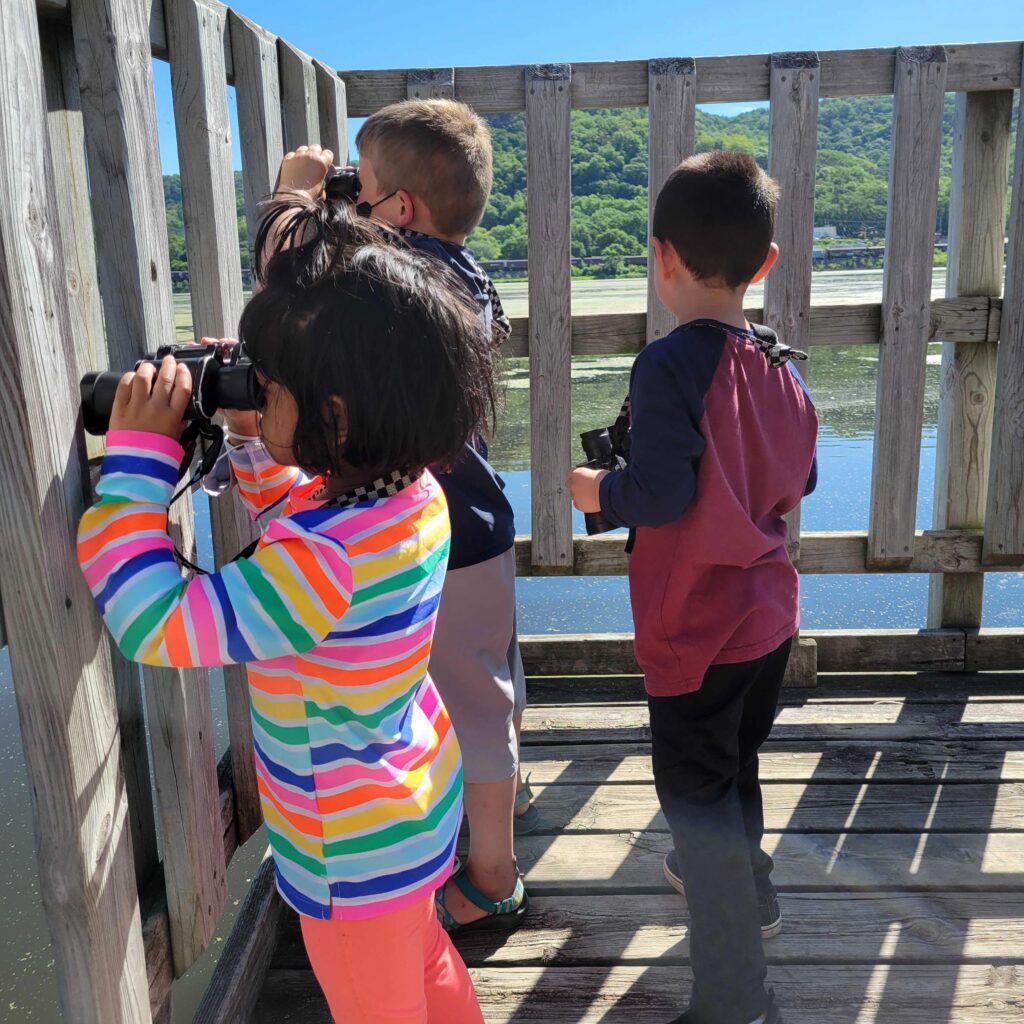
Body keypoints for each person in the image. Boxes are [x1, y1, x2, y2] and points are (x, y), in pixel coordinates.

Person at [77, 196, 498, 1024]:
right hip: (410, 808)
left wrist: (136, 462)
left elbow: (155, 624)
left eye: (268, 390)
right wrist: (257, 436)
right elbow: (308, 527)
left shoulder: (323, 562)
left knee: (378, 1006)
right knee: (425, 960)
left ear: (333, 420)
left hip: (351, 851)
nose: (254, 398)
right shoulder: (409, 496)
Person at [270, 99, 534, 934]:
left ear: (404, 212)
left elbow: (294, 279)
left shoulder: (401, 281)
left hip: (434, 527)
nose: (354, 200)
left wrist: (293, 198)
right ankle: (502, 801)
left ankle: (492, 876)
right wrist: (353, 206)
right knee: (491, 688)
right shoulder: (464, 276)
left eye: (370, 192)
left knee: (469, 696)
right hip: (478, 522)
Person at [568, 151, 819, 1024]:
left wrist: (597, 492)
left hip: (696, 630)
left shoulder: (670, 366)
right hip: (768, 623)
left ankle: (735, 1000)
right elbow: (803, 479)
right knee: (733, 765)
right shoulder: (784, 364)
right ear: (767, 263)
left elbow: (665, 495)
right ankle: (754, 893)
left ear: (661, 256)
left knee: (696, 800)